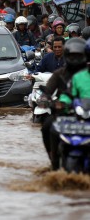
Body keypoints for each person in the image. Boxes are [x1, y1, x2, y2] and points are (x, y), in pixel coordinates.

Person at [40, 37, 88, 169]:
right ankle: (54, 159)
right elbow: (49, 91)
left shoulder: (86, 75)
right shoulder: (59, 74)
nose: (75, 59)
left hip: (87, 114)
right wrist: (46, 100)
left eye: (78, 56)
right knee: (47, 126)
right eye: (72, 56)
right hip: (64, 113)